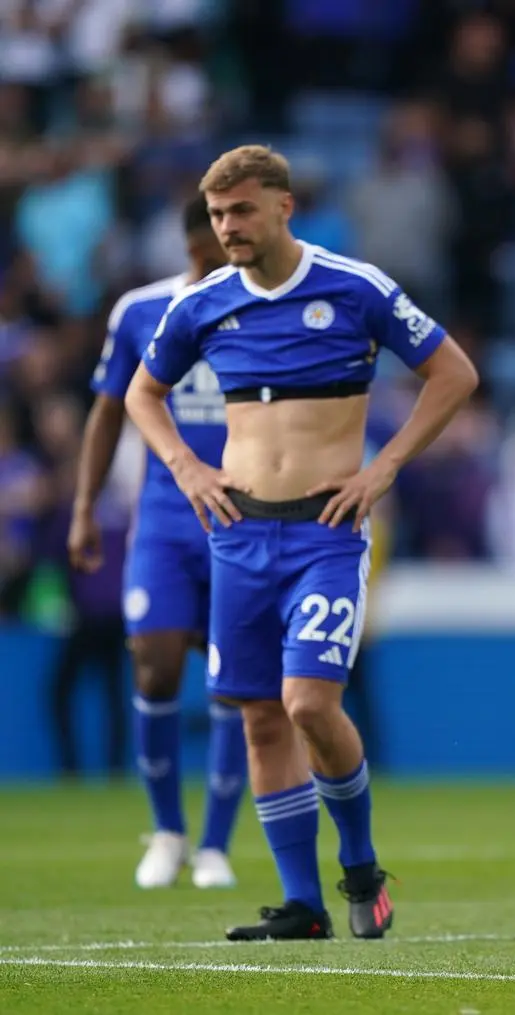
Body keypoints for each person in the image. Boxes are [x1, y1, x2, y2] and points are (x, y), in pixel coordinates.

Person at [124, 145, 479, 940]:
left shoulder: (354, 287)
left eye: (242, 211)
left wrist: (383, 468)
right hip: (238, 533)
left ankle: (359, 867)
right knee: (258, 719)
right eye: (217, 216)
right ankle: (303, 904)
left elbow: (454, 372)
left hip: (324, 535)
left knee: (308, 702)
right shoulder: (205, 302)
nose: (227, 228)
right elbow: (142, 393)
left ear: (284, 206)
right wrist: (185, 465)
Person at [68, 196, 245, 889]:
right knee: (154, 661)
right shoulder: (140, 311)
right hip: (165, 520)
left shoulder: (260, 309)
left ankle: (215, 845)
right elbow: (108, 411)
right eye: (206, 247)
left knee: (232, 678)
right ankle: (168, 830)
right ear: (189, 244)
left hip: (241, 518)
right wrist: (84, 507)